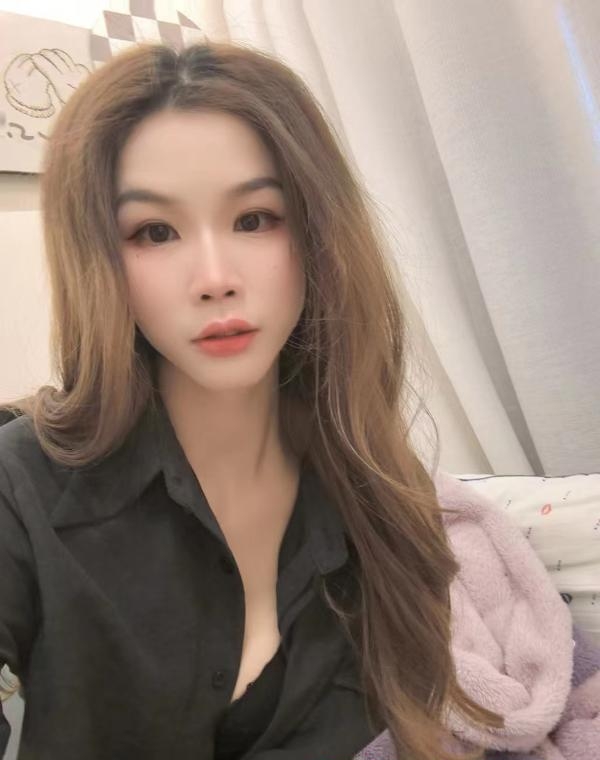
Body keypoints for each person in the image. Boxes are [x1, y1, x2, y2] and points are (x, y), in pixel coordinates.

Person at [0, 41, 503, 760]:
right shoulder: (21, 485)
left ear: (319, 233)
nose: (215, 278)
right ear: (99, 259)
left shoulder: (378, 493)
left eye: (256, 218)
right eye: (155, 232)